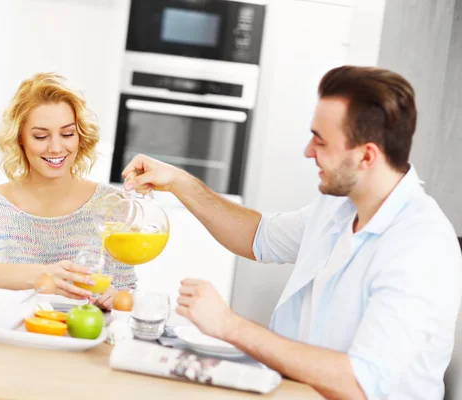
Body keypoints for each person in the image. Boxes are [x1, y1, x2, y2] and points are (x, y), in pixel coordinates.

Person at [122, 66, 462, 399]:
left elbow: (360, 384)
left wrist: (229, 325)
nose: (308, 151)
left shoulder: (422, 246)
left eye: (320, 140)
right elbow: (259, 236)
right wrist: (180, 182)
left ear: (366, 156)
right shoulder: (339, 208)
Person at [0, 72, 136, 310]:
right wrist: (43, 277)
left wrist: (114, 298)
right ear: (20, 139)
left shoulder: (111, 205)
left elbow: (128, 293)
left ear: (80, 136)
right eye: (41, 136)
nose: (56, 147)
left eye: (67, 134)